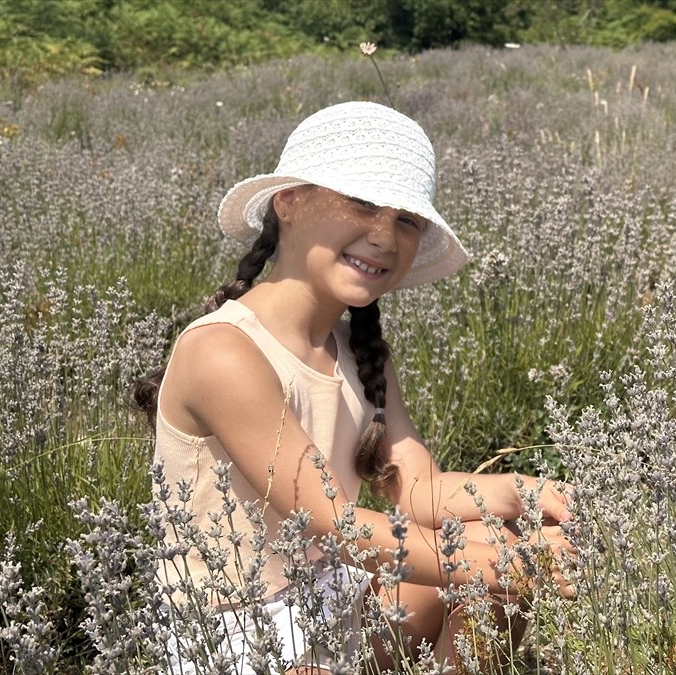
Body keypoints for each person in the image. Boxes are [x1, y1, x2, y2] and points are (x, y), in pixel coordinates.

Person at [132, 101, 572, 673]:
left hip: (331, 590)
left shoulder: (358, 352)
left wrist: (526, 496)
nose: (385, 237)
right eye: (362, 204)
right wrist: (501, 564)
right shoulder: (223, 351)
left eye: (407, 220)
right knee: (488, 566)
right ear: (288, 202)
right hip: (233, 628)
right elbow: (334, 524)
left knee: (497, 546)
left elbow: (419, 491)